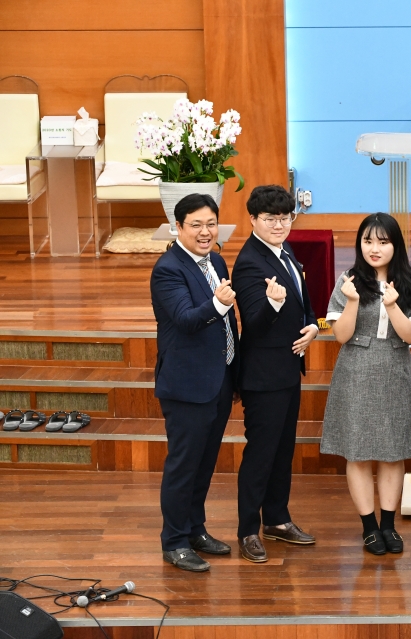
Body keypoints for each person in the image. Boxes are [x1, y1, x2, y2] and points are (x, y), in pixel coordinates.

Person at [322, 213, 411, 555]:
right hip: (356, 370)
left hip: (395, 369)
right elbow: (341, 335)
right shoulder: (348, 281)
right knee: (358, 452)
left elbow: (410, 335)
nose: (374, 248)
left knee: (393, 453)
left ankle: (388, 526)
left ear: (396, 245)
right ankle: (369, 527)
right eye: (368, 241)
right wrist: (352, 300)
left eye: (383, 241)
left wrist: (392, 305)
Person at [231, 185, 319, 563]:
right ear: (253, 219)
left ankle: (277, 520)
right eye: (270, 219)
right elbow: (253, 323)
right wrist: (272, 303)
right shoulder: (249, 262)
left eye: (285, 218)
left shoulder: (284, 251)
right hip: (263, 375)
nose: (279, 225)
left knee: (283, 451)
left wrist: (312, 325)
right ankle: (248, 530)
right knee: (261, 454)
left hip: (287, 369)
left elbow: (302, 299)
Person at [151, 193, 238, 572]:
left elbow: (226, 325)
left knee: (204, 464)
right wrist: (219, 304)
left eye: (211, 224)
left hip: (218, 378)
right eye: (196, 225)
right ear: (178, 227)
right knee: (183, 465)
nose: (205, 232)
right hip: (187, 384)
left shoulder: (215, 260)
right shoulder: (167, 269)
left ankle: (195, 530)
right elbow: (187, 319)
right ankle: (174, 542)